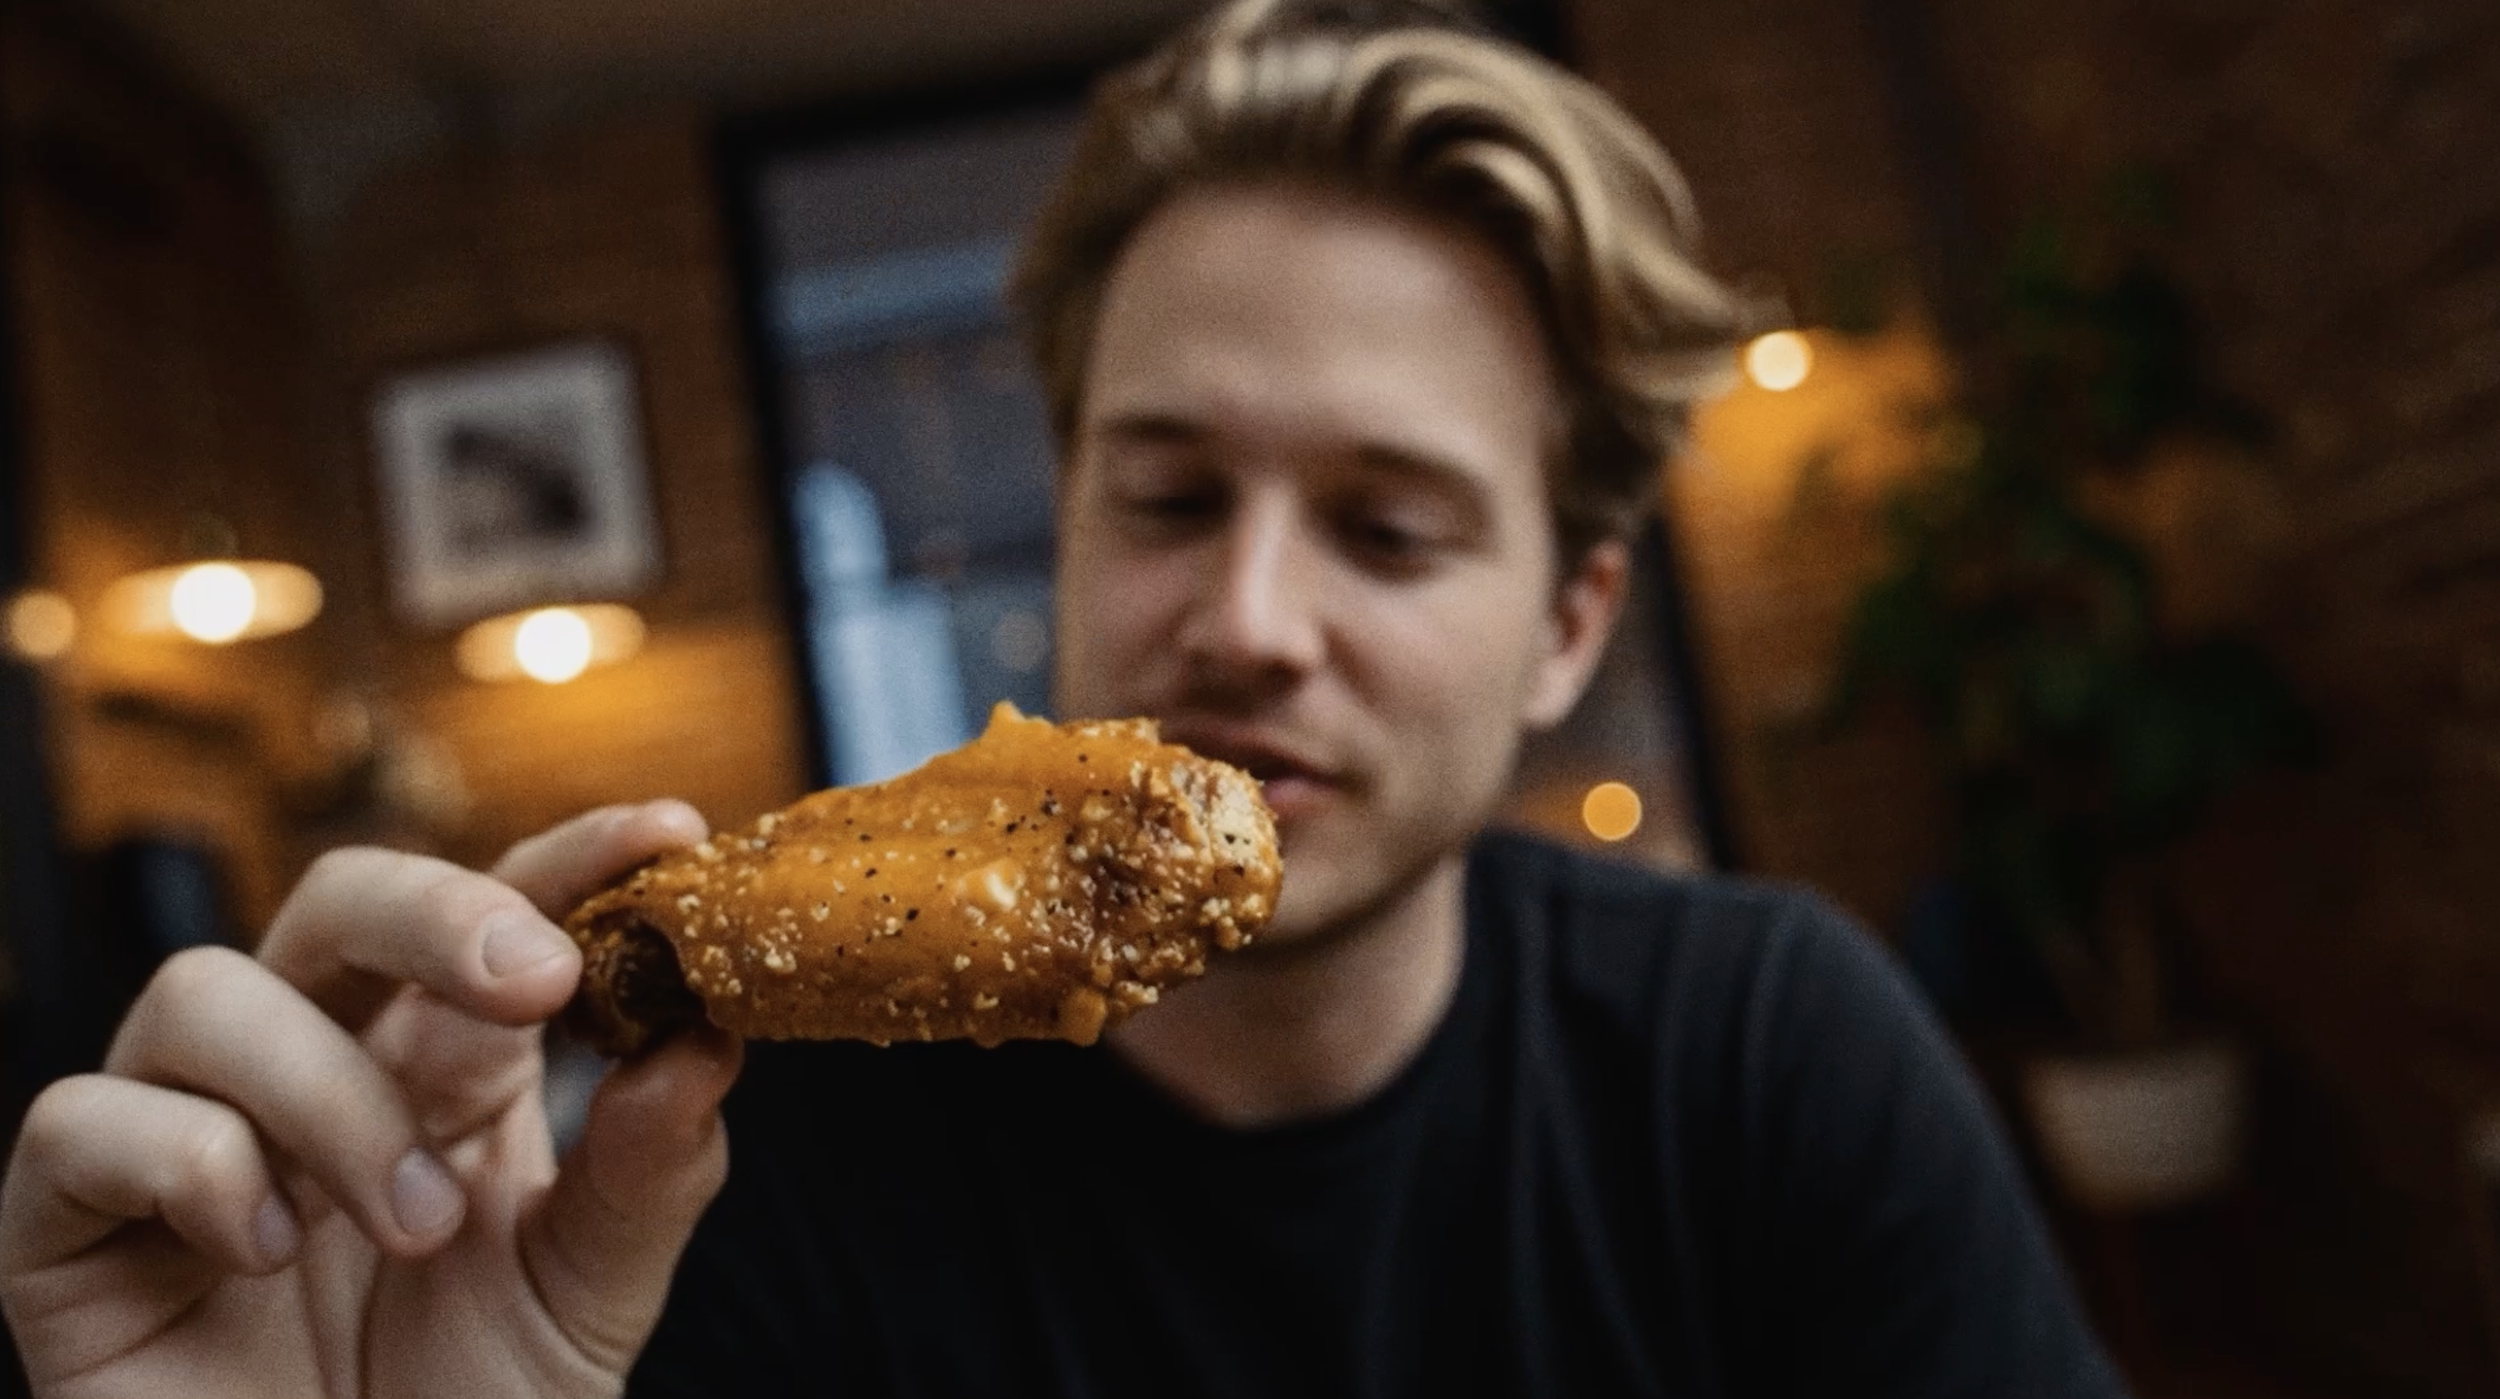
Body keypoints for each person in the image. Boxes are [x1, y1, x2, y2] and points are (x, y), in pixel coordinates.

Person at [0, 2, 2127, 1396]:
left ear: (1569, 628)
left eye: (1389, 530)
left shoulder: (1763, 1062)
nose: (1250, 618)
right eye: (1170, 495)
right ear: (1070, 517)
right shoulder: (739, 1170)